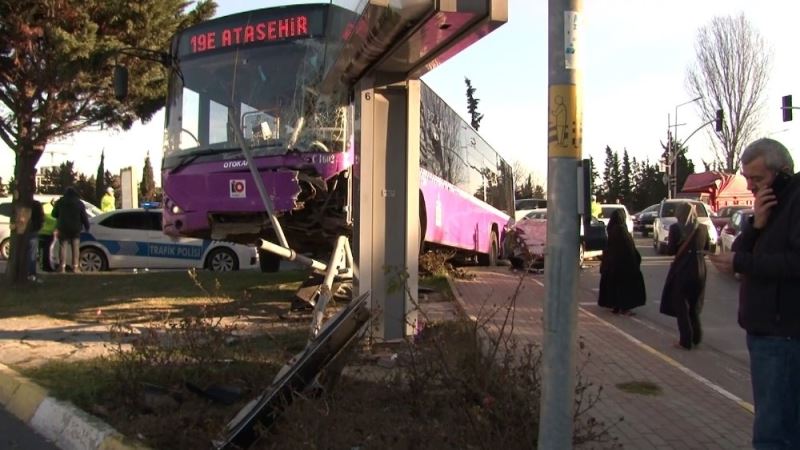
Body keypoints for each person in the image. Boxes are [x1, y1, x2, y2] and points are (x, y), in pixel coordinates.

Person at [709, 138, 800, 449]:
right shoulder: (769, 206)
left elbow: (794, 263)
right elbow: (741, 251)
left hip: (783, 335)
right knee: (771, 423)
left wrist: (741, 261)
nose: (749, 186)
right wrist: (757, 224)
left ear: (782, 173)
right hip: (764, 332)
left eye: (757, 179)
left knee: (775, 433)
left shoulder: (796, 202)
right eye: (747, 178)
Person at [659, 202, 709, 350]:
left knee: (681, 304)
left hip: (683, 269)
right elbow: (707, 247)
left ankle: (685, 340)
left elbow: (671, 251)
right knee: (694, 304)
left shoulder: (676, 228)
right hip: (700, 268)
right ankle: (697, 336)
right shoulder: (703, 228)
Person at [597, 209, 646, 315]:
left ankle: (616, 306)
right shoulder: (622, 231)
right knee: (624, 288)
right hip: (624, 266)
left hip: (612, 266)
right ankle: (624, 307)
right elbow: (628, 250)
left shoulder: (611, 230)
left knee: (614, 287)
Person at [51, 187, 90, 273]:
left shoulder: (60, 202)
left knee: (62, 246)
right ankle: (75, 267)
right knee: (75, 247)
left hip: (63, 227)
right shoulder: (79, 203)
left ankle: (62, 267)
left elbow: (53, 214)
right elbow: (84, 216)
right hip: (76, 228)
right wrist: (87, 226)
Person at [26, 199, 45, 282]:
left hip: (22, 232)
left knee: (24, 253)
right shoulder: (36, 204)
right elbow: (41, 218)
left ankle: (23, 273)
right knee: (32, 254)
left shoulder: (22, 203)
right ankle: (31, 274)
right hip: (33, 231)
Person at [38, 198, 57, 272]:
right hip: (45, 232)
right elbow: (48, 218)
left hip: (47, 232)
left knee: (46, 251)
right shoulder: (47, 208)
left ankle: (45, 266)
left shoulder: (50, 207)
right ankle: (44, 267)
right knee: (45, 251)